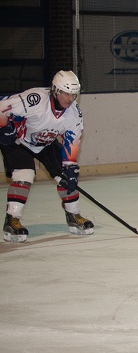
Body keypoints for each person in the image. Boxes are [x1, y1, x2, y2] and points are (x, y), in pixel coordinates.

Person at [0, 70, 93, 243]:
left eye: (74, 94)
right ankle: (12, 220)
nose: (70, 99)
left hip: (45, 143)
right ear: (56, 91)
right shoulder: (34, 100)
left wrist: (70, 166)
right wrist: (5, 129)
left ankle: (73, 215)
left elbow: (71, 141)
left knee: (66, 176)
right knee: (25, 174)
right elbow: (2, 107)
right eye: (66, 93)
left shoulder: (74, 114)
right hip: (18, 140)